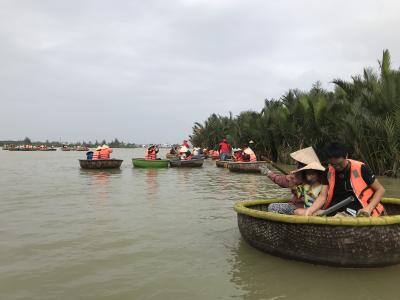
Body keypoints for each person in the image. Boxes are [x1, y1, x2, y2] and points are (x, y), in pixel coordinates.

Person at [306, 143, 385, 217]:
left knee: (340, 216)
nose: (337, 167)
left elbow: (380, 190)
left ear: (346, 156)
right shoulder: (328, 172)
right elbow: (322, 196)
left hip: (359, 207)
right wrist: (310, 210)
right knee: (312, 213)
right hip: (335, 207)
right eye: (333, 165)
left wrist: (369, 208)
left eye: (340, 163)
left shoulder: (361, 168)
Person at [261, 146, 322, 214]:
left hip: (299, 207)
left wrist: (269, 173)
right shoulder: (321, 175)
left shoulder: (299, 175)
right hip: (312, 207)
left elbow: (281, 181)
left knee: (272, 207)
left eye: (299, 164)